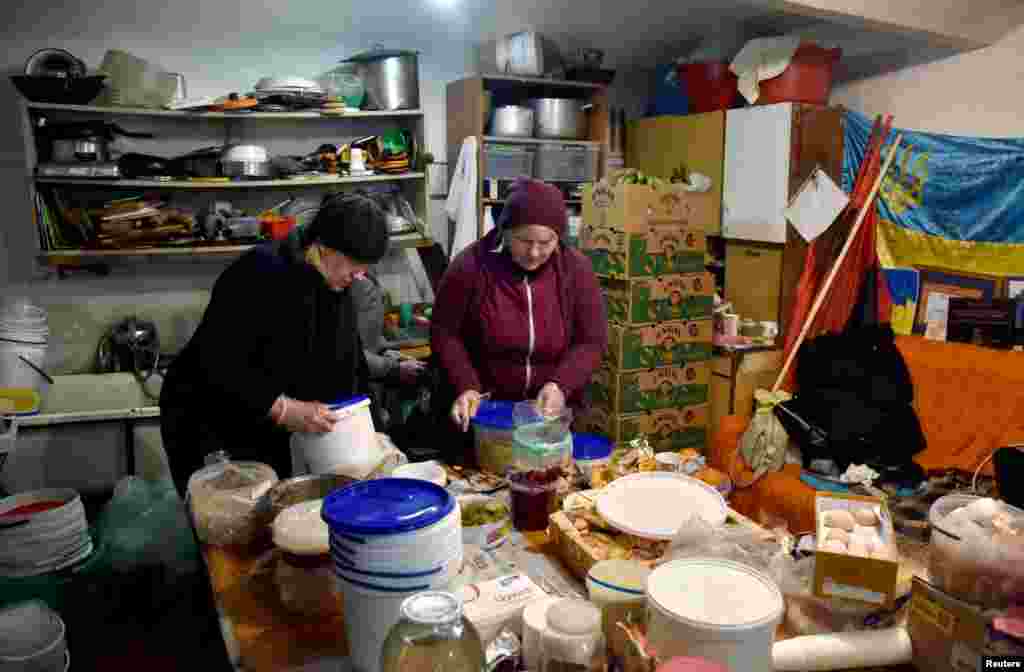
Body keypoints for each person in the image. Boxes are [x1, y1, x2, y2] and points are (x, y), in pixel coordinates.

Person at [159, 191, 390, 494]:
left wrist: (372, 435)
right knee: (229, 519)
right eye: (354, 263)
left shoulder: (336, 287)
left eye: (365, 267)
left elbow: (348, 367)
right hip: (207, 419)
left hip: (262, 424)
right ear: (323, 246)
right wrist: (280, 407)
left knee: (271, 504)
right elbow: (217, 362)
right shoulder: (260, 271)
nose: (359, 276)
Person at [430, 177, 607, 434]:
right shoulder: (471, 266)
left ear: (559, 238)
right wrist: (466, 385)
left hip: (549, 415)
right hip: (486, 415)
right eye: (524, 241)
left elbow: (592, 340)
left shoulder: (576, 270)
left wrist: (561, 385)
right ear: (506, 231)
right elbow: (444, 333)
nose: (534, 253)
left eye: (546, 243)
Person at [350, 272, 427, 429]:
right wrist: (393, 368)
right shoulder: (360, 286)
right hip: (351, 394)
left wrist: (392, 356)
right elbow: (351, 352)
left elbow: (371, 338)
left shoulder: (363, 283)